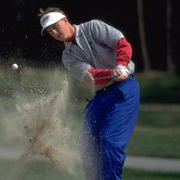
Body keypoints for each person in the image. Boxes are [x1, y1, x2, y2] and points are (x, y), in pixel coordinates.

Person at [38, 7, 140, 180]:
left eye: (55, 26)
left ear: (65, 20)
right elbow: (90, 76)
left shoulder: (93, 28)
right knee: (88, 147)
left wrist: (122, 65)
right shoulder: (68, 56)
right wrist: (111, 72)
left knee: (110, 142)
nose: (54, 32)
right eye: (49, 31)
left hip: (124, 89)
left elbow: (122, 43)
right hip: (100, 96)